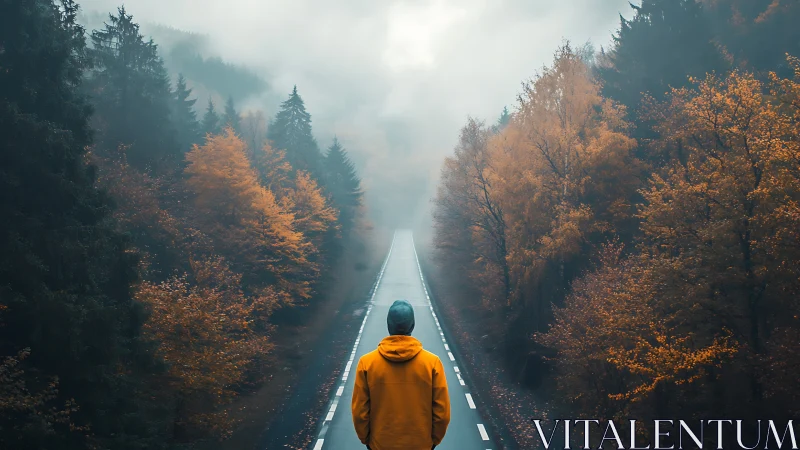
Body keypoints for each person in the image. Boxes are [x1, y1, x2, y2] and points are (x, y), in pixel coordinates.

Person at [351, 300, 451, 450]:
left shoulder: (367, 363)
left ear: (388, 325)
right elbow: (442, 413)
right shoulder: (432, 363)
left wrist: (367, 440)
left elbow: (360, 412)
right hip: (421, 444)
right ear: (412, 326)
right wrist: (433, 441)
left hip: (380, 444)